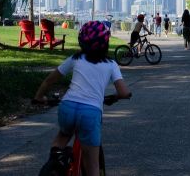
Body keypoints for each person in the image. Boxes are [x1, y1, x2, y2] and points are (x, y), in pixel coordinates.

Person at [33, 21, 132, 176]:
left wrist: (39, 97)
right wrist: (116, 97)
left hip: (68, 106)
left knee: (63, 136)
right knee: (92, 165)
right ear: (105, 43)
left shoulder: (76, 58)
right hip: (90, 112)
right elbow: (124, 92)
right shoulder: (111, 64)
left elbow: (49, 80)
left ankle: (56, 161)